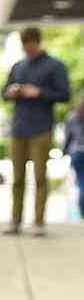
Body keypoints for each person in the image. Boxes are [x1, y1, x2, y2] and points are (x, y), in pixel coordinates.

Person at [2, 25, 70, 236]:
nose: (28, 50)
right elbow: (3, 92)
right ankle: (15, 221)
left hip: (41, 127)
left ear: (37, 43)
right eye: (24, 46)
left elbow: (64, 95)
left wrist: (39, 92)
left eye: (30, 45)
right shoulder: (18, 66)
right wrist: (11, 91)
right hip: (19, 127)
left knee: (40, 176)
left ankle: (39, 222)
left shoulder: (55, 66)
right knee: (17, 177)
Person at [62, 90, 84, 220]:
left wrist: (64, 153)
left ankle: (82, 214)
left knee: (81, 182)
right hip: (77, 152)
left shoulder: (72, 116)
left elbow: (68, 138)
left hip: (77, 152)